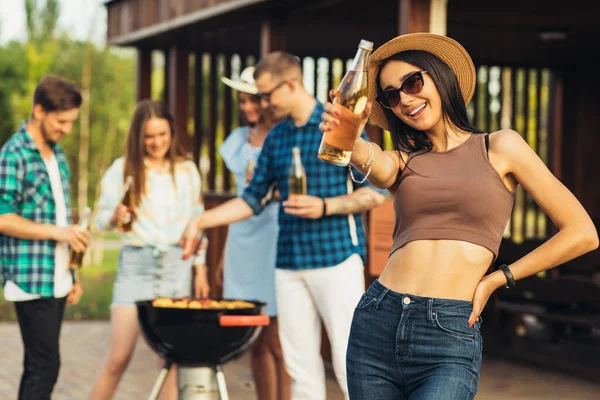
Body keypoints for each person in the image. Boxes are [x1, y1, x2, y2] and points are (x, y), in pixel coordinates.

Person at [319, 32, 599, 399]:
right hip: (377, 320)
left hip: (449, 329)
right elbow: (376, 162)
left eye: (413, 82)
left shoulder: (501, 146)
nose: (405, 99)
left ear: (440, 76)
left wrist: (497, 280)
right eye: (391, 95)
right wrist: (351, 141)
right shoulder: (405, 160)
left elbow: (582, 232)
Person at [180, 52, 387, 400]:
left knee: (349, 364)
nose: (262, 103)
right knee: (301, 371)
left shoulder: (339, 121)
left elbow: (375, 194)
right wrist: (201, 220)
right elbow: (250, 200)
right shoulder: (276, 139)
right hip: (288, 267)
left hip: (337, 261)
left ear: (290, 84)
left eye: (266, 94)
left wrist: (325, 206)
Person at [89, 100, 209, 400]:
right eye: (149, 136)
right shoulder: (122, 169)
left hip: (175, 265)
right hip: (136, 266)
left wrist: (201, 268)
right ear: (138, 136)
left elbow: (198, 222)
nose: (156, 143)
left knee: (168, 362)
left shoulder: (186, 170)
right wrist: (114, 217)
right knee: (118, 358)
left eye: (162, 135)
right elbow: (101, 219)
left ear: (172, 133)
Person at [0, 75, 88, 400]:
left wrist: (73, 273)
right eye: (62, 121)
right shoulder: (14, 154)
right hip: (30, 277)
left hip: (58, 276)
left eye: (70, 122)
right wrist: (58, 233)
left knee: (39, 365)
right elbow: (2, 216)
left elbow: (61, 217)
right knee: (45, 366)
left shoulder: (56, 154)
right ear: (39, 111)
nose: (66, 129)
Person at [217, 66, 291, 400]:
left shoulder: (285, 137)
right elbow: (238, 200)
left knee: (279, 341)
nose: (247, 107)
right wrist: (223, 256)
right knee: (255, 339)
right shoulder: (236, 141)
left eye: (252, 100)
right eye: (242, 101)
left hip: (276, 240)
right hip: (242, 244)